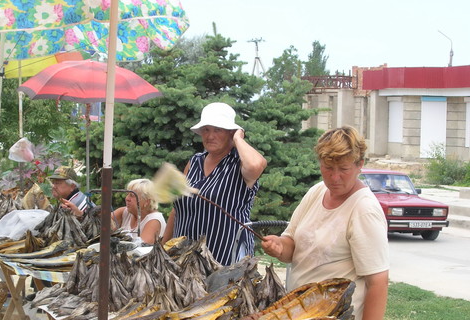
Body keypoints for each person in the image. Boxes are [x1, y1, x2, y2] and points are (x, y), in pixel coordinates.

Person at [260, 126, 389, 320]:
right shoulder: (317, 191)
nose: (335, 177)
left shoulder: (364, 210)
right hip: (297, 312)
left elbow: (378, 282)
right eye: (328, 168)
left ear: (359, 164)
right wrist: (279, 246)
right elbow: (292, 245)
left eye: (344, 169)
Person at [161, 102, 267, 266]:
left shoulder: (239, 164)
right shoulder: (194, 162)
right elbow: (176, 210)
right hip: (183, 258)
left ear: (230, 133)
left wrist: (238, 138)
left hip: (226, 259)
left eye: (218, 129)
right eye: (206, 130)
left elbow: (256, 165)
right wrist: (162, 248)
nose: (210, 136)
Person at [112, 179, 166, 244]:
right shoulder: (125, 212)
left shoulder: (154, 219)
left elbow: (141, 248)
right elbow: (102, 222)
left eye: (132, 195)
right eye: (127, 194)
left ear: (146, 202)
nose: (127, 198)